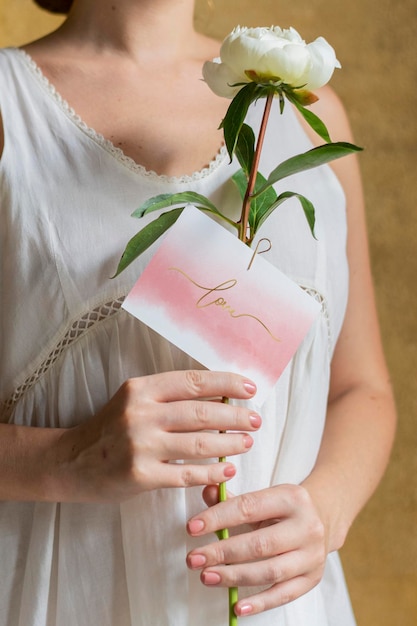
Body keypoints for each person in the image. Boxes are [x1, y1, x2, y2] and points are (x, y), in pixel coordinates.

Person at [0, 0, 397, 624]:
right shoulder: (8, 106)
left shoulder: (304, 108)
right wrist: (65, 458)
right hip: (70, 594)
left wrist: (325, 511)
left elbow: (361, 389)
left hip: (281, 604)